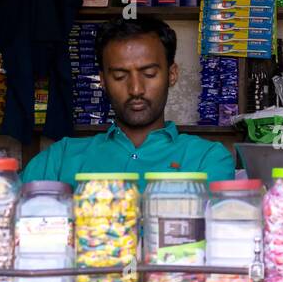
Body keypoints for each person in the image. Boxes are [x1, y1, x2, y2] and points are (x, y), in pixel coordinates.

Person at [21, 16, 235, 189]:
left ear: (171, 74)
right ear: (103, 81)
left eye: (149, 74)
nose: (135, 89)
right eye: (120, 76)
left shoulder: (206, 158)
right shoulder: (60, 158)